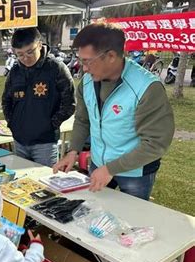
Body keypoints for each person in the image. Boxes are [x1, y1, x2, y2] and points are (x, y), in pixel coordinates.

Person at [53, 23, 175, 200]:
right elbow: (82, 119)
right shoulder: (87, 82)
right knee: (94, 214)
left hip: (135, 172)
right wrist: (73, 151)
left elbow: (155, 143)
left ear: (111, 56)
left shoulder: (146, 87)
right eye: (81, 61)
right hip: (98, 164)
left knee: (133, 220)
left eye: (87, 61)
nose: (84, 68)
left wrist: (111, 168)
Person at [2, 28, 75, 167]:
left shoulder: (56, 68)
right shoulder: (15, 71)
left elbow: (69, 103)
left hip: (45, 143)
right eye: (20, 54)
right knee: (20, 184)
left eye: (30, 52)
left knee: (45, 183)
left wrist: (50, 125)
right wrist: (13, 123)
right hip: (19, 140)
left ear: (40, 45)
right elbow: (6, 100)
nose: (25, 58)